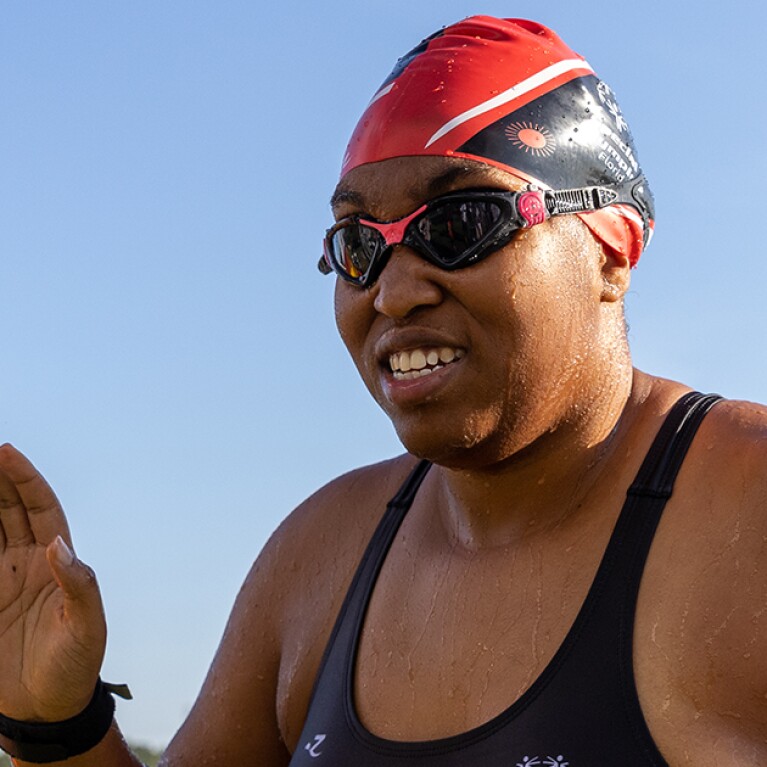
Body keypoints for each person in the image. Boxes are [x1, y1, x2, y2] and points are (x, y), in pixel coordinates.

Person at [0, 15, 765, 767]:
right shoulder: (320, 555)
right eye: (360, 246)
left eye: (462, 222)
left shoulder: (745, 512)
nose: (392, 294)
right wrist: (57, 728)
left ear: (612, 247)